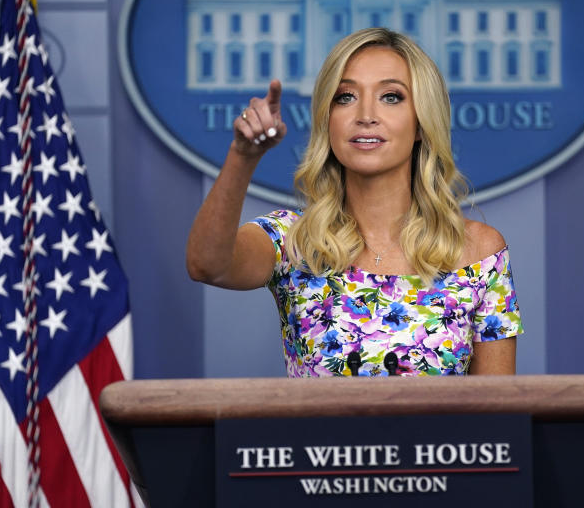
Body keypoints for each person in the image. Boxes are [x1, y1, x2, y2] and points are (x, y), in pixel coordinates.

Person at [186, 27, 523, 376]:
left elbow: (499, 414)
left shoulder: (480, 251)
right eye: (345, 97)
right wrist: (242, 156)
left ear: (422, 123)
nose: (365, 114)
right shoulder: (292, 240)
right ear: (327, 119)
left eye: (391, 97)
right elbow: (207, 265)